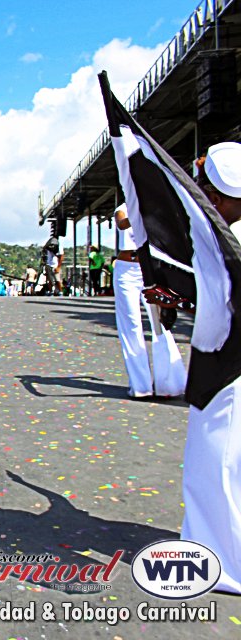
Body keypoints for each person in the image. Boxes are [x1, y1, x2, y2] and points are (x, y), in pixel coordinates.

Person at [181, 141, 241, 592]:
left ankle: (224, 562)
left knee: (218, 460)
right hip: (220, 357)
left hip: (230, 362)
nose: (212, 203)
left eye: (218, 195)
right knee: (213, 458)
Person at [111, 204, 186, 400]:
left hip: (150, 268)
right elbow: (122, 224)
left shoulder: (155, 204)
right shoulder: (124, 208)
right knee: (131, 324)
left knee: (160, 323)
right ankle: (140, 386)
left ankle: (168, 384)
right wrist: (142, 213)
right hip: (126, 269)